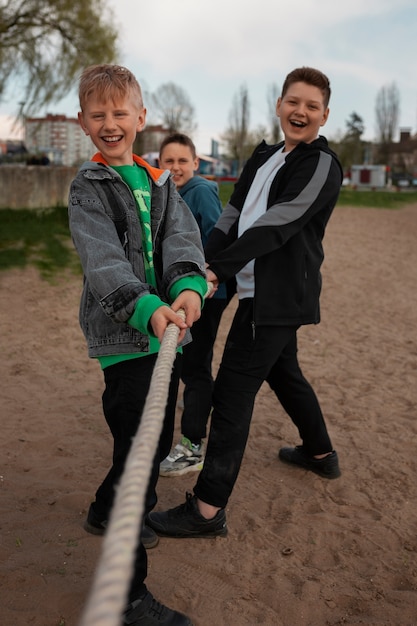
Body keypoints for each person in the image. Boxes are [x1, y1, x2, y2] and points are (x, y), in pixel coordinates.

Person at [146, 66, 343, 541]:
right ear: (279, 105)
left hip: (277, 297)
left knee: (233, 394)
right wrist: (203, 263)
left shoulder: (321, 163)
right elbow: (232, 215)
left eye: (312, 106)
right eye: (293, 101)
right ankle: (321, 454)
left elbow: (280, 222)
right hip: (253, 287)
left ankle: (208, 511)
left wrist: (218, 271)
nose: (301, 112)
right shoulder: (264, 155)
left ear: (324, 115)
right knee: (284, 371)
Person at [68, 64, 207, 626]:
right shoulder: (87, 187)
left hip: (167, 335)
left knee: (144, 445)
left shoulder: (159, 181)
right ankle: (126, 597)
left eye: (119, 112)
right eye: (97, 114)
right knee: (141, 453)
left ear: (141, 118)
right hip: (127, 340)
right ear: (82, 122)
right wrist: (148, 309)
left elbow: (180, 240)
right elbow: (102, 261)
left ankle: (106, 510)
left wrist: (189, 287)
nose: (109, 122)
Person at [157, 133, 228, 477]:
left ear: (196, 163)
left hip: (207, 293)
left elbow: (216, 237)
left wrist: (206, 280)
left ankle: (192, 445)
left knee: (196, 367)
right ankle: (195, 411)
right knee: (186, 366)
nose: (176, 167)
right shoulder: (166, 193)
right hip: (184, 291)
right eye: (168, 161)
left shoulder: (199, 191)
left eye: (183, 161)